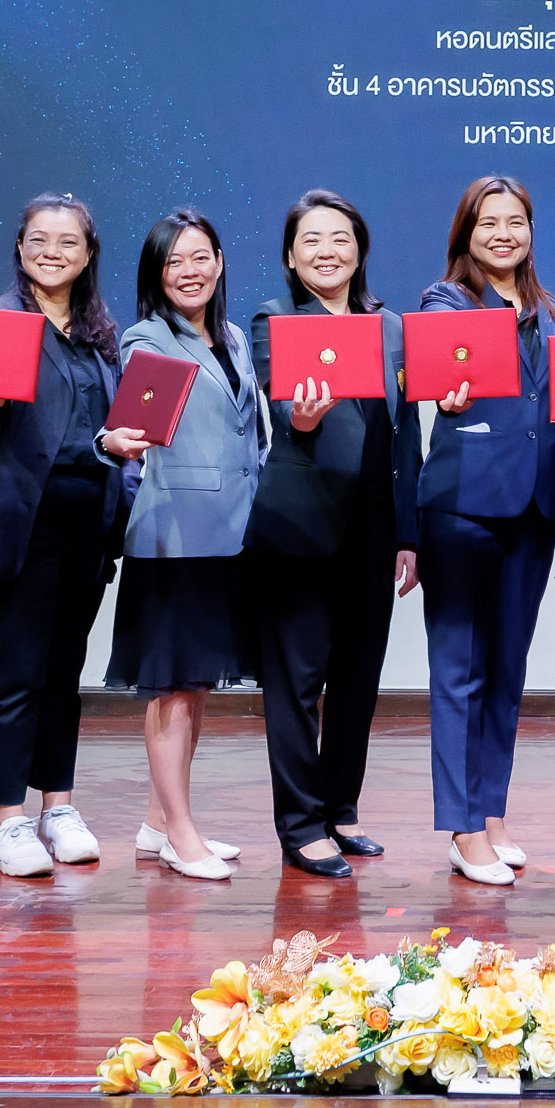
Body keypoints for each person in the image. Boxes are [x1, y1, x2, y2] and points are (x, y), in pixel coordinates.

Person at [0, 193, 143, 880]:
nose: (53, 251)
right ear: (21, 247)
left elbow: (120, 431)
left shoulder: (100, 335)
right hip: (19, 523)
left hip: (86, 526)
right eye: (40, 239)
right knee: (18, 671)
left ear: (88, 254)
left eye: (68, 242)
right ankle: (6, 818)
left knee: (64, 674)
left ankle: (56, 805)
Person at [245, 189, 423, 879]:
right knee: (296, 681)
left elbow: (405, 436)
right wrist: (307, 417)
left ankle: (340, 809)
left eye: (341, 238)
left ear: (360, 250)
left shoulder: (390, 325)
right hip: (301, 526)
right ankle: (299, 824)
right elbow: (286, 403)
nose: (328, 251)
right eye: (312, 240)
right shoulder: (275, 318)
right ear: (292, 255)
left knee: (358, 677)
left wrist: (408, 531)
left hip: (375, 528)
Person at [416, 177, 555, 887]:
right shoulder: (446, 301)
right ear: (467, 234)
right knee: (460, 670)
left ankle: (490, 814)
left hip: (538, 508)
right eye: (490, 223)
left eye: (517, 222)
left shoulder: (552, 310)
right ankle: (461, 829)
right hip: (463, 505)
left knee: (507, 673)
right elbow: (442, 370)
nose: (505, 235)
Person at [109, 208, 265, 880]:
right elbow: (130, 432)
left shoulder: (233, 336)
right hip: (173, 535)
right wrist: (115, 443)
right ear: (156, 274)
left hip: (231, 535)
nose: (189, 271)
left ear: (220, 261)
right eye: (174, 261)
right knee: (170, 691)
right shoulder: (145, 339)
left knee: (196, 687)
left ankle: (157, 822)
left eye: (200, 256)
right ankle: (180, 832)